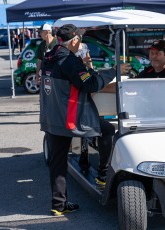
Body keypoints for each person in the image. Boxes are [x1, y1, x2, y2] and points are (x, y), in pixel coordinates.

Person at [40, 24, 130, 216]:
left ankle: (58, 204)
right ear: (74, 41)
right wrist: (114, 71)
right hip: (70, 118)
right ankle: (102, 176)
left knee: (57, 162)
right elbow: (90, 84)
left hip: (52, 117)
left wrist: (86, 66)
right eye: (79, 39)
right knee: (106, 130)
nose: (80, 42)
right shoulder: (69, 61)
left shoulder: (50, 54)